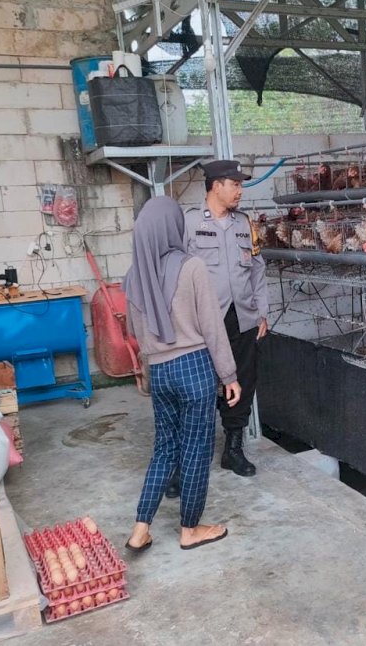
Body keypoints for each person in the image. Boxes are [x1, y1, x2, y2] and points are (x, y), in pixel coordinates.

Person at [124, 196, 241, 552]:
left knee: (164, 448)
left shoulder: (134, 275)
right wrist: (229, 374)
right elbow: (212, 327)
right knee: (195, 449)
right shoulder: (192, 266)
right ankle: (189, 529)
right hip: (193, 368)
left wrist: (145, 371)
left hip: (159, 371)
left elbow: (135, 331)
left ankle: (140, 528)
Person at [166, 158, 267, 489]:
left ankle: (234, 449)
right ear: (215, 186)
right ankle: (187, 463)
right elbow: (172, 271)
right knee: (197, 390)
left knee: (242, 382)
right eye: (234, 184)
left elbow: (257, 268)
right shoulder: (189, 223)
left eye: (239, 184)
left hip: (243, 317)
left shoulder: (244, 223)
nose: (240, 190)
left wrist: (261, 312)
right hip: (202, 322)